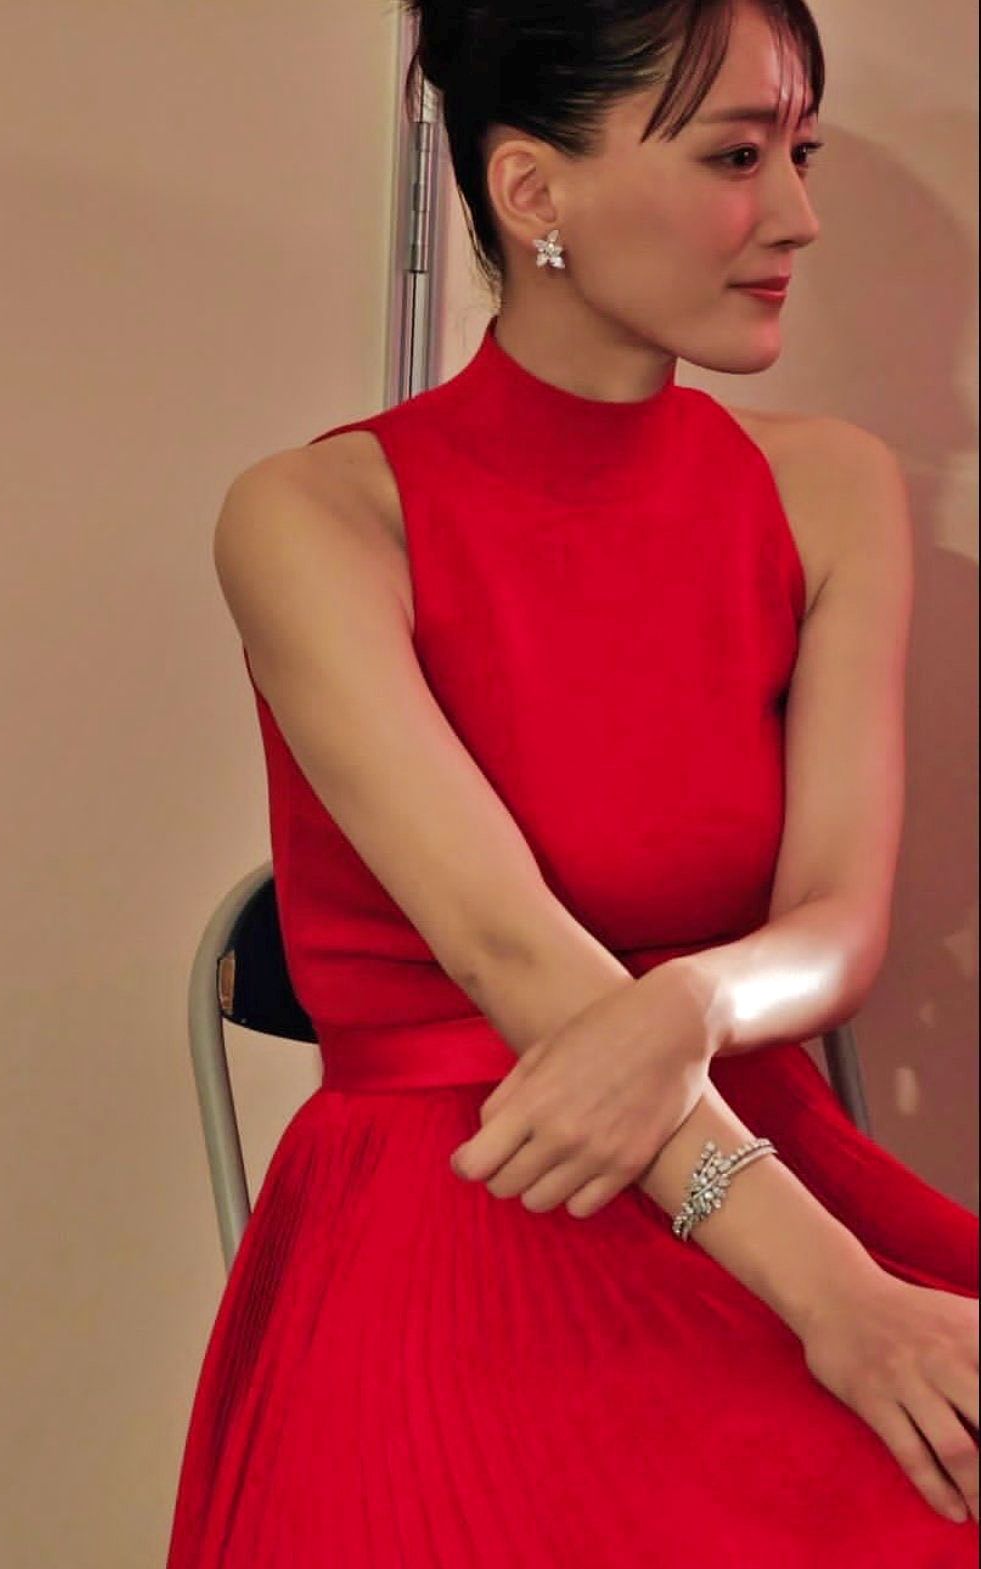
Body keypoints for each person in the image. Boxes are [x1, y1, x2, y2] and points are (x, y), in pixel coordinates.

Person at [166, 1, 980, 1563]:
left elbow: (834, 921)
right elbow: (510, 954)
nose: (796, 214)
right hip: (464, 1200)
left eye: (798, 153)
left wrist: (687, 1006)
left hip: (754, 1147)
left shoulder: (827, 489)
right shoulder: (315, 515)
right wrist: (844, 1307)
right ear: (531, 189)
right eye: (735, 157)